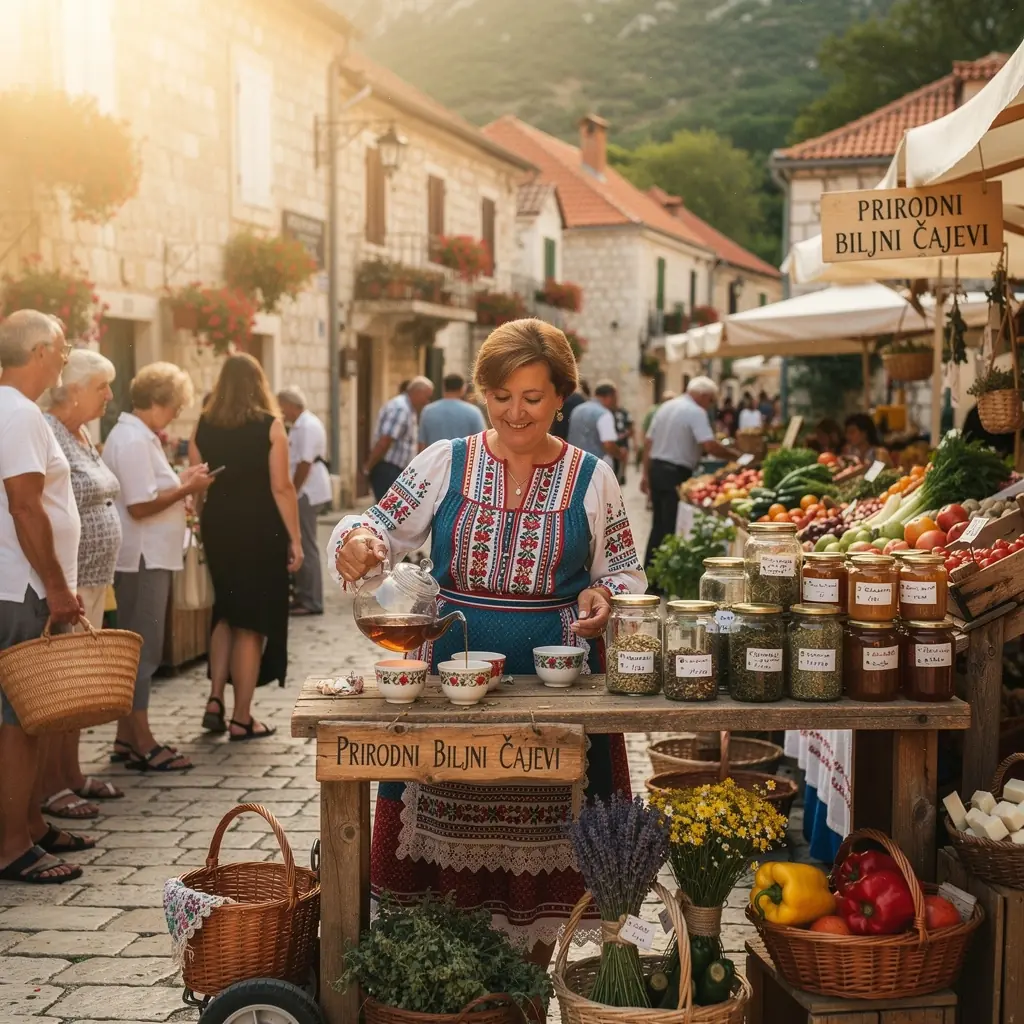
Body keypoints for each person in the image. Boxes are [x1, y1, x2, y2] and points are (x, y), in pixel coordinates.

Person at [330, 318, 645, 961]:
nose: (516, 412)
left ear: (562, 397)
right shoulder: (446, 462)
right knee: (444, 889)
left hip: (554, 693)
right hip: (453, 684)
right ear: (484, 395)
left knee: (546, 873)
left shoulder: (594, 478)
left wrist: (602, 596)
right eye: (502, 397)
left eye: (532, 397)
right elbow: (378, 525)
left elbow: (624, 571)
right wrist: (360, 543)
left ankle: (527, 993)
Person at [0, 311, 93, 884]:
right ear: (38, 350)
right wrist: (58, 587)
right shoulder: (19, 413)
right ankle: (12, 844)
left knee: (22, 717)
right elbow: (26, 505)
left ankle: (30, 823)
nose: (63, 360)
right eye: (60, 350)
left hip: (16, 582)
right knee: (20, 721)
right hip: (22, 585)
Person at [103, 363, 213, 771]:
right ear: (158, 401)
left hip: (149, 555)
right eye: (174, 406)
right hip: (143, 557)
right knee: (143, 650)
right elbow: (139, 504)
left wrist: (179, 480)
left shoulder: (137, 436)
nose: (175, 414)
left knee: (140, 646)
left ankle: (125, 738)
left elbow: (148, 489)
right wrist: (187, 488)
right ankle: (142, 739)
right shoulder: (133, 439)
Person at [193, 355, 302, 739]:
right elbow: (281, 487)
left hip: (219, 525)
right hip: (259, 529)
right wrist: (296, 539)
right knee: (252, 621)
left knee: (225, 611)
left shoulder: (203, 425)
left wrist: (201, 521)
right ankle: (242, 716)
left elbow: (198, 481)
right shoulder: (270, 426)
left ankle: (213, 700)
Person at [40, 349, 124, 818]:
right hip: (69, 578)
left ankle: (70, 774)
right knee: (62, 687)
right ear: (72, 390)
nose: (109, 395)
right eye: (101, 387)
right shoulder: (49, 430)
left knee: (77, 684)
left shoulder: (83, 433)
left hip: (93, 575)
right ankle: (52, 785)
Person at [642, 377, 734, 569]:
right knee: (669, 525)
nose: (710, 406)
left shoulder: (666, 407)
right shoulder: (696, 412)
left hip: (657, 468)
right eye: (710, 401)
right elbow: (709, 445)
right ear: (703, 395)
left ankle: (651, 574)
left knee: (658, 523)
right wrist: (736, 456)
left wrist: (645, 473)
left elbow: (648, 442)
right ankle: (659, 576)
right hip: (674, 472)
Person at [277, 387, 332, 617]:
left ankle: (311, 600)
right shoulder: (301, 424)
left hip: (307, 492)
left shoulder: (307, 426)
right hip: (305, 490)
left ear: (290, 405)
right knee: (301, 542)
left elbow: (304, 463)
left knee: (305, 544)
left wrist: (293, 491)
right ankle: (303, 595)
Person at [364, 376, 434, 500]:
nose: (427, 402)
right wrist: (368, 467)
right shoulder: (400, 408)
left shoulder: (409, 408)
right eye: (426, 397)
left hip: (397, 471)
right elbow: (385, 440)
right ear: (417, 392)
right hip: (388, 469)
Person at [418, 373, 486, 449]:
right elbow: (482, 442)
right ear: (463, 388)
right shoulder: (473, 412)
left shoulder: (428, 411)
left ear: (443, 387)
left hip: (434, 459)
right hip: (463, 459)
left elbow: (421, 444)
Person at [567, 380, 621, 466]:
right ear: (609, 397)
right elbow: (608, 444)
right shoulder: (604, 414)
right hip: (596, 465)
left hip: (574, 463)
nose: (616, 403)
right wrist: (620, 455)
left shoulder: (577, 410)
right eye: (615, 399)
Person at [612, 401, 634, 485]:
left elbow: (631, 428)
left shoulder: (625, 413)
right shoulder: (609, 413)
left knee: (624, 457)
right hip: (613, 441)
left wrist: (624, 435)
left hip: (623, 441)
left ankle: (622, 476)